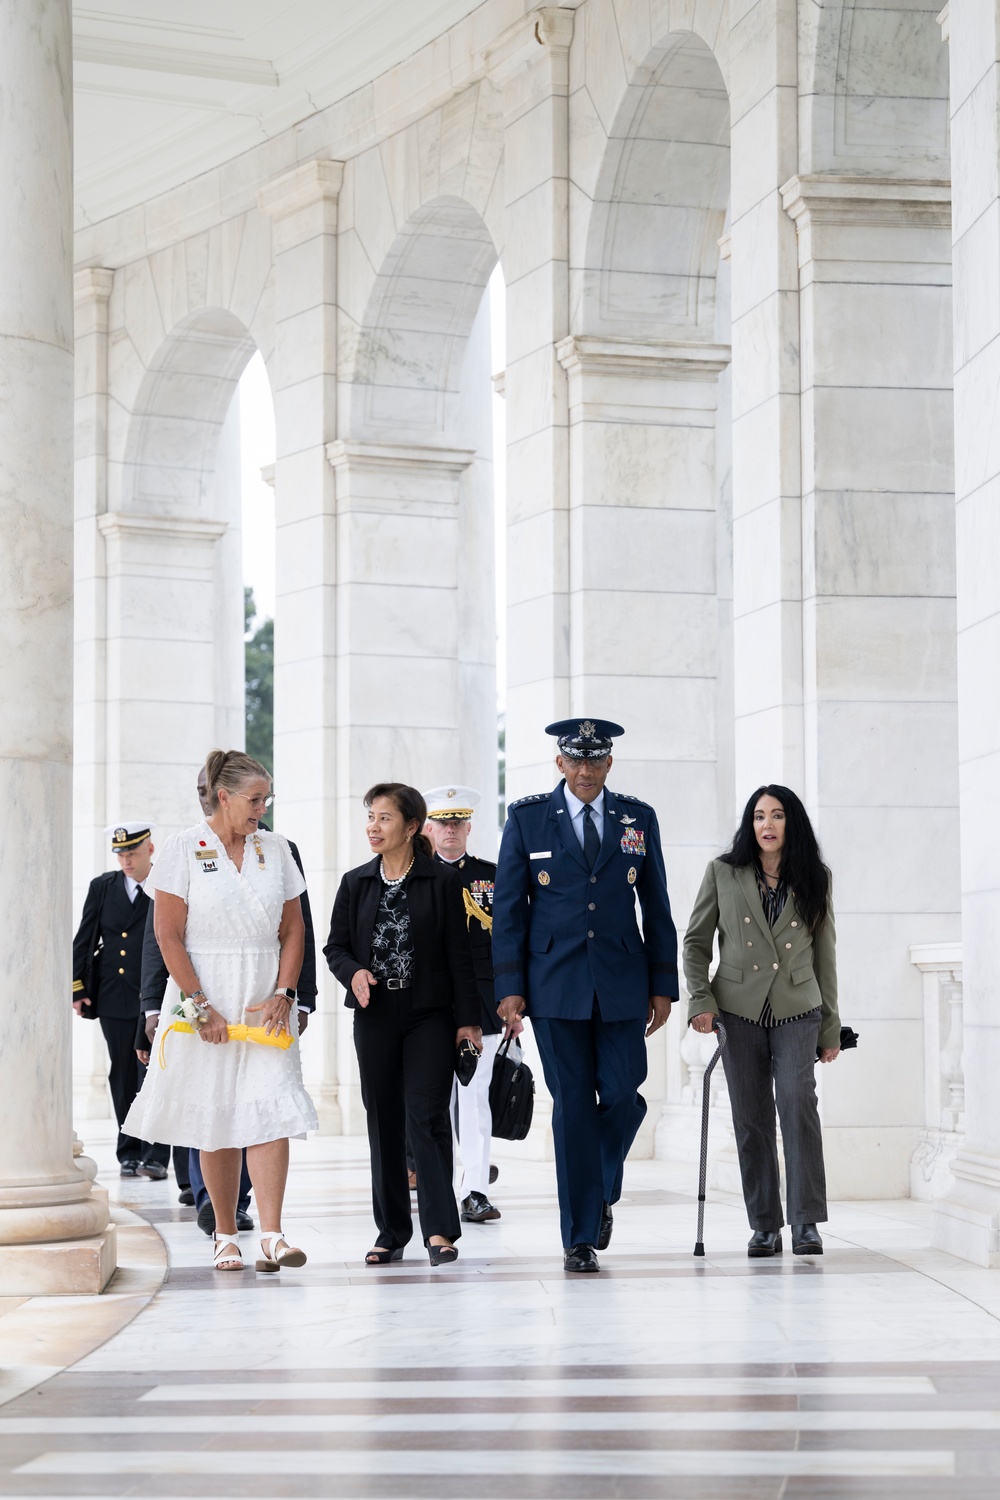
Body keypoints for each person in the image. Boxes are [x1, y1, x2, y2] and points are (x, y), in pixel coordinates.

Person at [492, 719, 678, 1273]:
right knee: (572, 1107)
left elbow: (658, 905)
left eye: (596, 761)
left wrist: (663, 984)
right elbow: (508, 910)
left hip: (623, 982)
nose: (586, 770)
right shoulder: (527, 820)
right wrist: (510, 988)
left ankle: (597, 1186)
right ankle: (579, 1234)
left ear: (609, 764)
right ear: (560, 764)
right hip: (554, 987)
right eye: (576, 760)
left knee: (623, 1095)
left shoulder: (637, 819)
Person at [124, 749, 317, 1273]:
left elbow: (294, 928)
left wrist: (286, 992)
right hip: (201, 992)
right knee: (216, 1114)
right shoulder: (184, 848)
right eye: (255, 799)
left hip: (263, 994)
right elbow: (166, 933)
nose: (262, 808)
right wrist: (197, 1004)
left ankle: (273, 1235)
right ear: (224, 796)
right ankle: (225, 1234)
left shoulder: (276, 849)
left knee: (272, 1107)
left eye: (266, 799)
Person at [324, 783, 482, 1267]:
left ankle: (439, 1229)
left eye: (384, 818)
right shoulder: (356, 882)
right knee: (384, 1120)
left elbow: (462, 956)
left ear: (412, 826)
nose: (373, 826)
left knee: (426, 1114)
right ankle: (392, 1230)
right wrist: (354, 974)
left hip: (429, 1016)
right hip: (374, 1017)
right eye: (370, 816)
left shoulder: (442, 881)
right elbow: (336, 948)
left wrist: (468, 1023)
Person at [685, 784, 841, 1258]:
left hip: (798, 1006)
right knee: (751, 1116)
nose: (766, 825)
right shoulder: (723, 872)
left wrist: (831, 1026)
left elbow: (826, 955)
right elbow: (695, 943)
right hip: (737, 1008)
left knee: (797, 1103)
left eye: (776, 816)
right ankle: (765, 1225)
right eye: (758, 816)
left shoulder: (815, 876)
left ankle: (806, 1221)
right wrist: (700, 1000)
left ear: (791, 822)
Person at [72, 823, 171, 1180]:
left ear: (150, 849)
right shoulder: (104, 887)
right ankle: (128, 1150)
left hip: (155, 994)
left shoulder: (167, 883)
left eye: (132, 852)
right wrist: (78, 988)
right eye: (120, 853)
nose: (125, 860)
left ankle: (157, 1154)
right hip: (113, 992)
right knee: (123, 1074)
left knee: (156, 1073)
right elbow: (85, 937)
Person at [424, 784, 502, 1223]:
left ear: (469, 826)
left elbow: (508, 942)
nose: (450, 830)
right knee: (430, 1099)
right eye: (442, 823)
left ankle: (474, 1189)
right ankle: (434, 1184)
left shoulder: (492, 875)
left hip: (483, 1002)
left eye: (458, 822)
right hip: (430, 1004)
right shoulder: (414, 873)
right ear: (428, 828)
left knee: (473, 1097)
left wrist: (511, 1004)